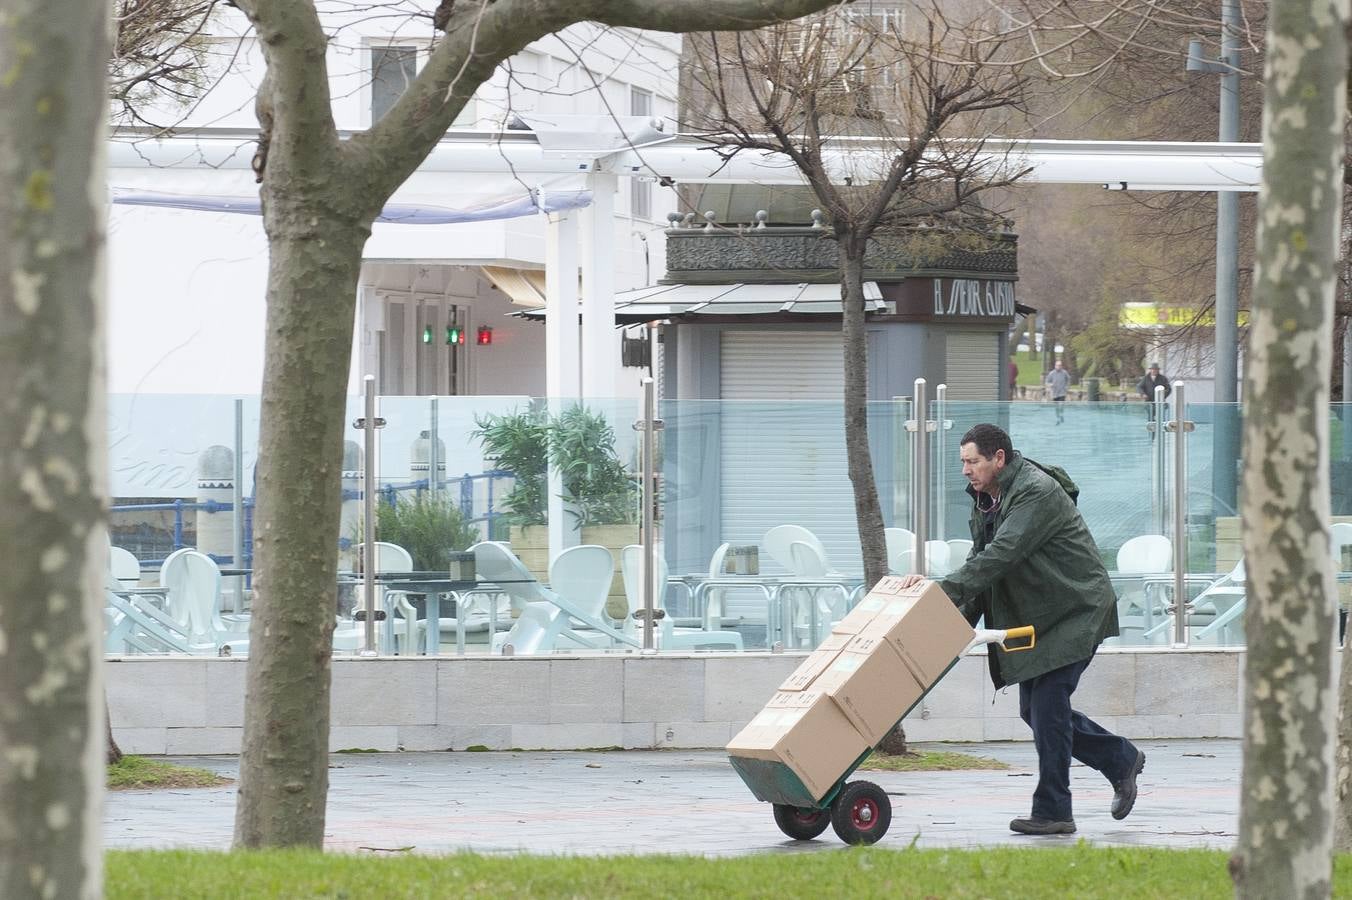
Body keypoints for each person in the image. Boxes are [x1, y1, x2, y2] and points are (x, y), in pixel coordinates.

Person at [897, 423, 1145, 836]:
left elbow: (1002, 556)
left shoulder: (1035, 491)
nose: (965, 470)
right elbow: (983, 563)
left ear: (999, 458)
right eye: (962, 462)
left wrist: (937, 595)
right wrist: (946, 626)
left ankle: (1054, 810)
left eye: (972, 461)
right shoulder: (988, 498)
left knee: (1047, 708)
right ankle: (1120, 759)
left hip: (1076, 609)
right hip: (1044, 615)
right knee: (1035, 711)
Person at [1045, 359, 1070, 424]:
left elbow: (1068, 379)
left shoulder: (1064, 373)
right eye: (1058, 365)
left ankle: (1061, 415)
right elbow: (1047, 382)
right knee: (1056, 407)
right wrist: (1051, 384)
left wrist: (1067, 387)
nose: (1059, 367)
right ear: (1055, 366)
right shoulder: (1051, 373)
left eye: (1060, 365)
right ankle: (1058, 418)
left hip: (1062, 392)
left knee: (1061, 405)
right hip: (1054, 393)